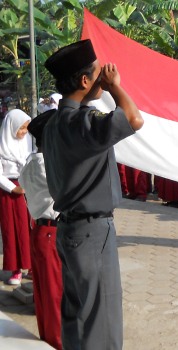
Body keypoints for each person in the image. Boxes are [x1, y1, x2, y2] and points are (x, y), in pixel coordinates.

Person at [43, 39, 144, 349]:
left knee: (77, 319)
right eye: (98, 72)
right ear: (85, 80)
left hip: (69, 230)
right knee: (102, 324)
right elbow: (134, 119)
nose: (104, 75)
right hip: (92, 232)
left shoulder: (51, 123)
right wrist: (114, 87)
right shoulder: (82, 123)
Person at [19, 111, 62, 350]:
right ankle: (58, 342)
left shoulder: (31, 163)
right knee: (55, 292)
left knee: (44, 292)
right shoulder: (47, 165)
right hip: (51, 233)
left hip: (40, 231)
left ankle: (48, 337)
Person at [0, 109, 32, 286]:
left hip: (28, 189)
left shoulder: (26, 143)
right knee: (12, 230)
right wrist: (14, 189)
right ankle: (16, 269)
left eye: (26, 128)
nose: (24, 132)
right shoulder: (1, 146)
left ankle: (32, 266)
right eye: (21, 128)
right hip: (10, 193)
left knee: (31, 228)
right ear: (11, 127)